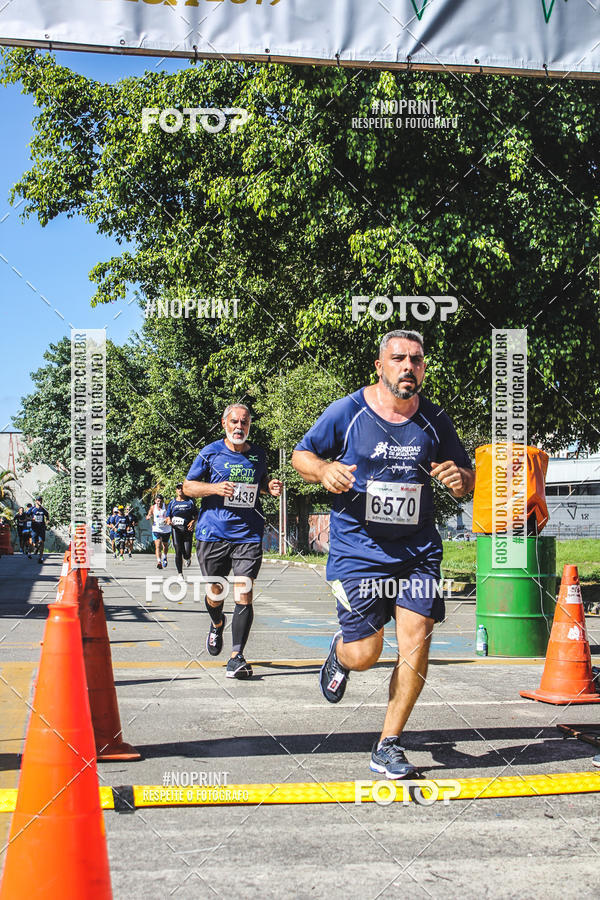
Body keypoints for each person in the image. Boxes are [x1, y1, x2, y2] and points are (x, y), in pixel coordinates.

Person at [292, 330, 475, 779]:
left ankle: (388, 743)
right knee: (366, 653)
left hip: (417, 551)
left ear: (423, 368)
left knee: (417, 637)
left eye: (416, 359)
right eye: (398, 358)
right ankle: (341, 654)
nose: (408, 366)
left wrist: (461, 480)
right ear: (380, 366)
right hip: (358, 550)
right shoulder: (348, 411)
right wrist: (323, 469)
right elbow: (302, 454)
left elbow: (467, 476)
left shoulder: (435, 419)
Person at [183, 403, 283, 678]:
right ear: (224, 423)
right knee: (216, 593)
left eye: (245, 422)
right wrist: (214, 488)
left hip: (248, 534)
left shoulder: (258, 455)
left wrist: (269, 487)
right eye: (235, 421)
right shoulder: (210, 452)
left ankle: (236, 657)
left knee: (244, 591)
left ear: (249, 425)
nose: (240, 427)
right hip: (213, 533)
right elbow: (188, 487)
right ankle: (217, 623)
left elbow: (260, 483)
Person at [165, 484, 198, 581]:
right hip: (176, 529)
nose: (180, 490)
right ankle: (180, 573)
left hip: (187, 529)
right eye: (178, 488)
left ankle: (187, 558)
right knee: (178, 550)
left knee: (186, 553)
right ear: (176, 491)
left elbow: (196, 515)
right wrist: (168, 521)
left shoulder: (190, 502)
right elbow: (168, 516)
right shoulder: (172, 503)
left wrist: (192, 522)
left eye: (182, 488)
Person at [146, 494, 171, 569]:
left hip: (166, 529)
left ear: (163, 501)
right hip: (156, 529)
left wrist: (167, 520)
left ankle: (165, 557)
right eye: (158, 501)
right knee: (158, 545)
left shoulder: (166, 507)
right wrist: (148, 516)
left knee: (165, 545)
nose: (159, 503)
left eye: (160, 501)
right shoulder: (153, 507)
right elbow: (149, 514)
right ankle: (159, 562)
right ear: (155, 501)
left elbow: (170, 515)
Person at [30, 497, 50, 563]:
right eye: (38, 500)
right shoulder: (32, 509)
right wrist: (31, 519)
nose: (40, 501)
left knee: (42, 542)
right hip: (34, 528)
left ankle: (40, 558)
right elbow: (26, 516)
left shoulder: (43, 509)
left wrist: (47, 521)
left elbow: (47, 515)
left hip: (41, 528)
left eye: (41, 500)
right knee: (34, 542)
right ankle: (36, 547)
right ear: (36, 501)